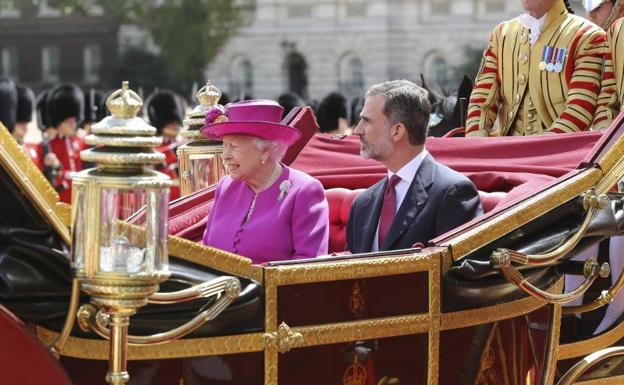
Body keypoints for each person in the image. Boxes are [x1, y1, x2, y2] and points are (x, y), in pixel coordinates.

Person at [347, 80, 482, 254]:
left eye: (367, 121)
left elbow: (461, 273)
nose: (357, 130)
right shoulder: (362, 204)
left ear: (397, 131)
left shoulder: (453, 192)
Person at [200, 99, 329, 263]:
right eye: (224, 146)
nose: (225, 155)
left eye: (234, 146)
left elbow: (309, 267)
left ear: (266, 150)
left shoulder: (304, 192)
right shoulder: (225, 187)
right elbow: (206, 252)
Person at [466, 0, 607, 136]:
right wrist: (476, 141)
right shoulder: (501, 34)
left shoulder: (587, 36)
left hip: (561, 152)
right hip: (508, 150)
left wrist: (543, 147)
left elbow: (581, 107)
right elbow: (482, 99)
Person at [44, 83, 86, 203]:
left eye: (75, 121)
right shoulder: (49, 146)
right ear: (59, 122)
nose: (73, 124)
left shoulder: (82, 143)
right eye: (69, 122)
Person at [586, 0, 624, 129]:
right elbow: (609, 97)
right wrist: (604, 134)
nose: (591, 15)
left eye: (598, 8)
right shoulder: (617, 31)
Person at [146, 90, 185, 200]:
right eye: (171, 122)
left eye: (177, 122)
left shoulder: (182, 142)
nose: (175, 125)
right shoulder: (152, 145)